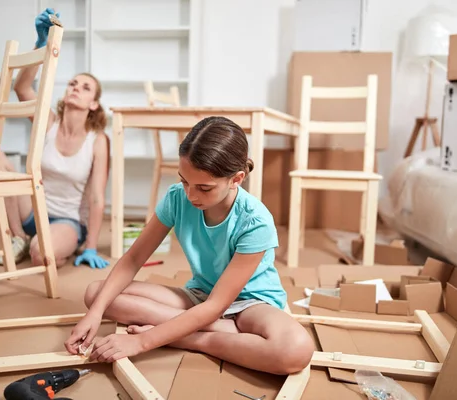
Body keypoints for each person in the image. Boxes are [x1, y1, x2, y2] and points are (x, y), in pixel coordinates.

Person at [64, 116, 314, 375]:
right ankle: (218, 331)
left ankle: (192, 338)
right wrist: (94, 314)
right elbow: (133, 259)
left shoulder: (255, 221)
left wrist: (142, 341)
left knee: (295, 351)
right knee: (97, 294)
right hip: (200, 295)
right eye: (185, 181)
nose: (191, 195)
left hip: (251, 304)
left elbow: (217, 306)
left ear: (236, 179)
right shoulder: (177, 198)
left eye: (204, 188)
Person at [0, 8, 110, 269]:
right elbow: (22, 88)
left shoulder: (97, 140)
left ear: (93, 104)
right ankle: (18, 237)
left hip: (67, 220)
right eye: (73, 83)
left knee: (41, 255)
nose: (76, 88)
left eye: (85, 88)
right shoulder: (48, 123)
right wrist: (41, 45)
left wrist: (91, 245)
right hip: (31, 210)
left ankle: (44, 245)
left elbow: (96, 197)